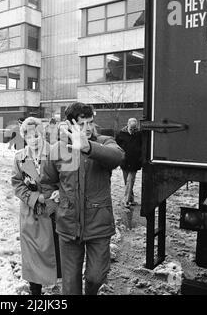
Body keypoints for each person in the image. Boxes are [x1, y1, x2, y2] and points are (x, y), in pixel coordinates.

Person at [41, 103, 124, 295]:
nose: (88, 128)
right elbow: (46, 183)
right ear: (70, 125)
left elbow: (118, 157)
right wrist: (55, 208)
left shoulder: (104, 142)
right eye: (82, 124)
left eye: (90, 122)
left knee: (96, 277)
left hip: (99, 225)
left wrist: (88, 148)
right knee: (70, 286)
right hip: (68, 226)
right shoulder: (57, 150)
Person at [11, 117, 61, 295]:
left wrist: (59, 192)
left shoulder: (55, 152)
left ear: (43, 134)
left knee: (57, 254)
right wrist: (34, 197)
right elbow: (17, 184)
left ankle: (59, 287)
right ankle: (35, 294)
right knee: (32, 256)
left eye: (36, 135)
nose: (33, 140)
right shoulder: (19, 157)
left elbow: (66, 178)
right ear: (24, 137)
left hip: (54, 212)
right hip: (31, 215)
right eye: (28, 136)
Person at [115, 118, 142, 208]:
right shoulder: (121, 134)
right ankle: (131, 199)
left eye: (134, 128)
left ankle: (126, 200)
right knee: (127, 181)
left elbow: (142, 146)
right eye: (131, 128)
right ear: (128, 125)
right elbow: (116, 145)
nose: (133, 130)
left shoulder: (139, 134)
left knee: (130, 180)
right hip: (124, 161)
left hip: (134, 162)